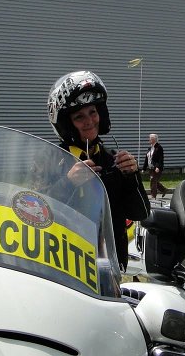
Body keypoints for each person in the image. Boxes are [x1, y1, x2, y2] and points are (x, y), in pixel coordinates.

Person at [47, 70, 150, 270]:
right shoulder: (49, 160)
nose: (89, 121)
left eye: (93, 112)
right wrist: (68, 183)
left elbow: (140, 213)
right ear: (66, 123)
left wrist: (132, 176)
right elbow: (37, 212)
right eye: (79, 116)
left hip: (110, 266)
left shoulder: (114, 160)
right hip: (65, 263)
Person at [143, 133, 168, 199]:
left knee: (153, 180)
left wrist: (157, 167)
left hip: (157, 168)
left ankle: (153, 195)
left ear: (154, 139)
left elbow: (160, 159)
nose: (149, 139)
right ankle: (164, 189)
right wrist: (144, 168)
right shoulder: (150, 148)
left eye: (150, 138)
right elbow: (147, 158)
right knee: (154, 181)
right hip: (151, 168)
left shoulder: (159, 147)